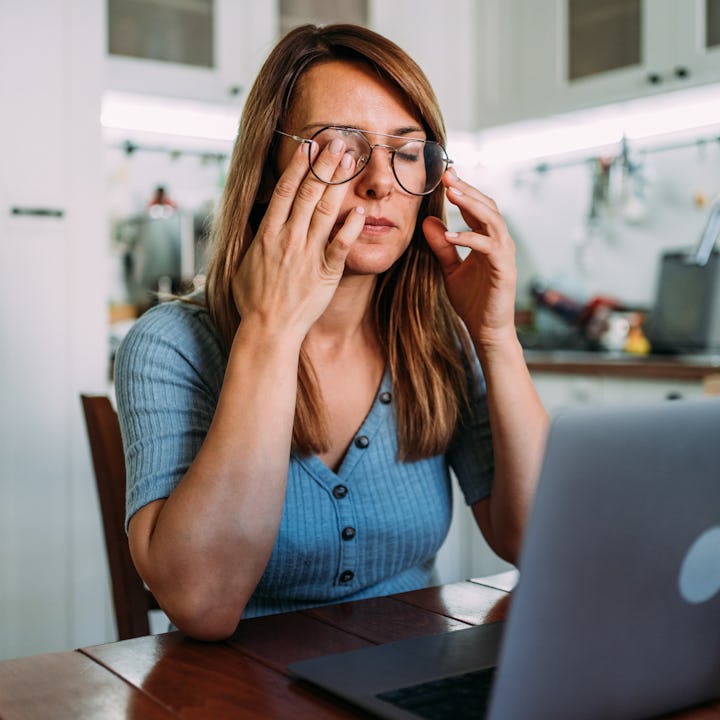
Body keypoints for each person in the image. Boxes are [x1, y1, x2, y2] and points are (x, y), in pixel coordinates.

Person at [114, 23, 549, 642]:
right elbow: (203, 604)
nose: (379, 181)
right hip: (235, 693)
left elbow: (535, 542)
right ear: (268, 171)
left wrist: (496, 337)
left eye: (404, 152)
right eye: (340, 150)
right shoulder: (169, 345)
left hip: (415, 676)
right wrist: (270, 329)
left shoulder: (439, 340)